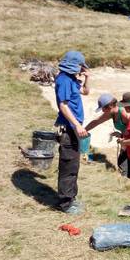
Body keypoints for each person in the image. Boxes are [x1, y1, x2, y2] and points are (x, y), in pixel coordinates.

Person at [54, 51, 90, 214]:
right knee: (68, 165)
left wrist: (87, 77)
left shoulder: (72, 79)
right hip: (69, 128)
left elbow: (85, 92)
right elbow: (63, 105)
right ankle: (65, 204)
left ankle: (71, 198)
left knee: (74, 164)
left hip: (73, 128)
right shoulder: (64, 80)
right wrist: (76, 125)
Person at [84, 93, 130, 172]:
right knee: (122, 165)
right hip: (125, 143)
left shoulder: (124, 113)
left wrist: (121, 135)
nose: (102, 111)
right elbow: (96, 122)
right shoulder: (111, 113)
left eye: (103, 108)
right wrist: (83, 131)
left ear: (110, 106)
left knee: (126, 168)